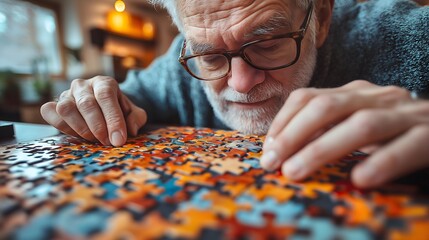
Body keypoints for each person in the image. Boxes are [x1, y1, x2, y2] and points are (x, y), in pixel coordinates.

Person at [40, 0, 429, 188]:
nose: (241, 83)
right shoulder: (182, 62)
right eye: (210, 57)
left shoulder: (409, 35)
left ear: (321, 18)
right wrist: (97, 102)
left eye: (268, 43)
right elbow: (127, 99)